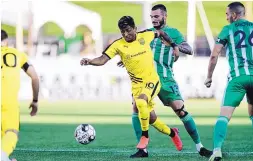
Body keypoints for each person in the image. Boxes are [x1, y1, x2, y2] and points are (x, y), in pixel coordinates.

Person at [118, 4, 212, 158]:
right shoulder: (147, 34)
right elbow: (131, 46)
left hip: (166, 78)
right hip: (146, 79)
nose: (153, 19)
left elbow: (189, 49)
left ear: (164, 16)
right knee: (138, 109)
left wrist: (174, 45)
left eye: (156, 16)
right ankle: (142, 149)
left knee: (180, 110)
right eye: (152, 17)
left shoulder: (173, 33)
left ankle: (199, 147)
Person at [80, 16, 183, 154]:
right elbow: (103, 59)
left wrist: (174, 46)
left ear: (135, 28)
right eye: (122, 32)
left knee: (140, 102)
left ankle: (144, 137)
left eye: (128, 30)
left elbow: (161, 33)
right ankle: (173, 133)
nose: (126, 34)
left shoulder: (145, 36)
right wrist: (90, 61)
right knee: (151, 119)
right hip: (137, 86)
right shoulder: (118, 45)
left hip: (152, 80)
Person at [204, 2, 253, 161]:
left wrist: (209, 76)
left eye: (227, 14)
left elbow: (214, 55)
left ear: (234, 15)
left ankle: (217, 150)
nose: (226, 18)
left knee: (223, 116)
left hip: (237, 79)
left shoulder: (228, 30)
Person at [1, 30, 40, 161]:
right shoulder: (18, 55)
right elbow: (34, 77)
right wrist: (35, 100)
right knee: (11, 132)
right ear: (6, 42)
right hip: (9, 102)